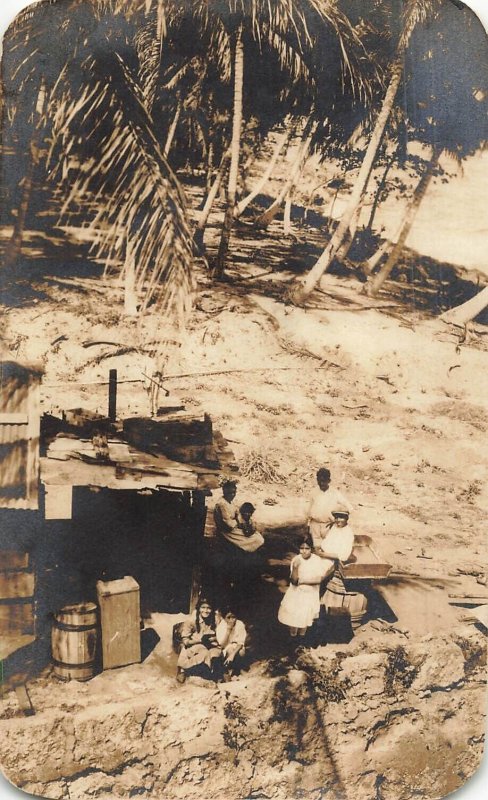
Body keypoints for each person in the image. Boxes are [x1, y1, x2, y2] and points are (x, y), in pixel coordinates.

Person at [278, 535, 334, 638]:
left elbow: (319, 579)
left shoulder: (316, 560)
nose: (304, 551)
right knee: (294, 620)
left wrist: (303, 581)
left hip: (310, 594)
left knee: (305, 620)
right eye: (301, 548)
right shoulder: (296, 560)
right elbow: (294, 582)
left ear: (311, 549)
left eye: (307, 548)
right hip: (297, 594)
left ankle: (301, 642)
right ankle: (293, 642)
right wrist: (295, 568)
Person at [175, 597, 223, 684]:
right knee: (204, 653)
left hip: (210, 645)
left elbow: (221, 633)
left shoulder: (215, 619)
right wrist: (200, 641)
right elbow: (186, 641)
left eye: (209, 608)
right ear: (199, 608)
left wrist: (213, 639)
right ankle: (184, 669)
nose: (206, 610)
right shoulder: (191, 621)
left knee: (216, 653)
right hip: (194, 645)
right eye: (203, 607)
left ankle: (215, 674)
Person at [308, 468, 352, 552]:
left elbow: (348, 506)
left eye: (324, 481)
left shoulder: (335, 493)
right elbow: (309, 509)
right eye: (319, 481)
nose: (321, 483)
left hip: (329, 526)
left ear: (329, 480)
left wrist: (339, 520)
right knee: (317, 548)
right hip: (315, 525)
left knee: (328, 548)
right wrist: (308, 525)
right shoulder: (313, 492)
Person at [214, 481, 264, 554]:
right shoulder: (222, 504)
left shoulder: (230, 502)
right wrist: (239, 524)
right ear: (224, 492)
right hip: (227, 531)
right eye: (230, 493)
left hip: (233, 526)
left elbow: (236, 512)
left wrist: (241, 521)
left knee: (256, 533)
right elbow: (227, 522)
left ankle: (247, 550)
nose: (232, 495)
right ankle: (244, 551)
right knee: (257, 539)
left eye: (234, 492)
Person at [216, 607, 248, 677]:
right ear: (224, 618)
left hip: (237, 646)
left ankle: (238, 670)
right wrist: (228, 631)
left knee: (241, 652)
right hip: (226, 647)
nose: (231, 620)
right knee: (230, 650)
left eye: (233, 617)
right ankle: (230, 671)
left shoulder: (239, 624)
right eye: (228, 617)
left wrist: (232, 655)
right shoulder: (221, 626)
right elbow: (222, 645)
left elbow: (241, 642)